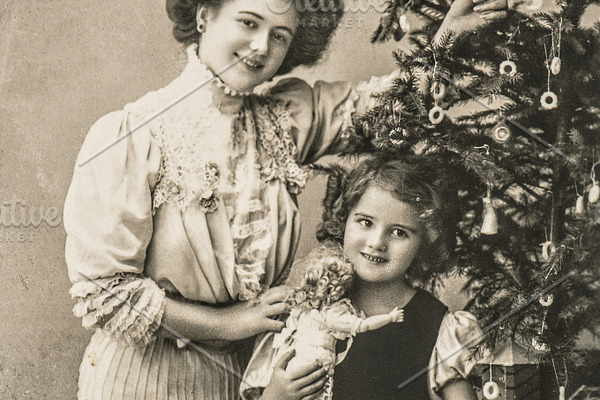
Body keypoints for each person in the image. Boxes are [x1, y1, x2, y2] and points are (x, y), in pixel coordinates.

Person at [64, 0, 506, 399]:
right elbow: (105, 294)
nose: (260, 47)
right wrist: (229, 323)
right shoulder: (132, 134)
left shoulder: (284, 120)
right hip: (144, 379)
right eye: (248, 22)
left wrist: (447, 35)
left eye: (280, 36)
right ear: (204, 15)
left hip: (249, 375)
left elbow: (381, 105)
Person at [241, 155, 482, 400]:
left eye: (399, 232)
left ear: (424, 242)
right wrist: (275, 396)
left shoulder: (434, 326)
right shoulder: (307, 308)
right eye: (366, 222)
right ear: (345, 220)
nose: (376, 243)